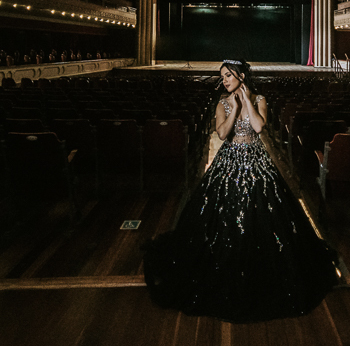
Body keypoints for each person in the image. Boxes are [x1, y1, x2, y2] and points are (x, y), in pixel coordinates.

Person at [143, 59, 339, 322]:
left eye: (228, 75)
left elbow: (259, 127)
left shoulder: (260, 99)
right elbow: (222, 134)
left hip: (257, 159)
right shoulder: (222, 103)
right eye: (222, 76)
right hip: (230, 160)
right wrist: (234, 108)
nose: (224, 80)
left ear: (242, 75)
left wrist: (246, 101)